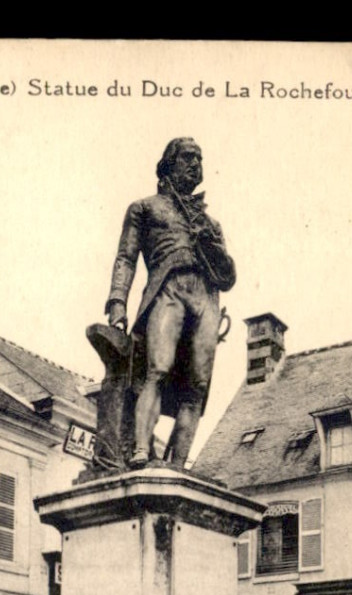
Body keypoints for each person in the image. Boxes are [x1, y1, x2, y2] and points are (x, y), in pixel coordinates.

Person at [106, 137, 236, 468]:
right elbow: (126, 257)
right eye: (188, 157)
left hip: (206, 297)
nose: (196, 164)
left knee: (198, 386)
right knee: (158, 369)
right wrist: (117, 302)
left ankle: (178, 465)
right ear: (169, 164)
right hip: (168, 287)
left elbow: (229, 277)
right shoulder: (144, 208)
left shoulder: (210, 223)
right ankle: (140, 449)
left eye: (200, 158)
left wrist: (213, 246)